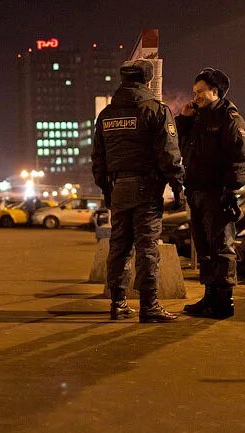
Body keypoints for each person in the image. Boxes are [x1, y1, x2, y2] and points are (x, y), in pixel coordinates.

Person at [91, 59, 185, 323]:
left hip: (118, 187)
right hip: (147, 188)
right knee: (147, 247)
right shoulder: (154, 110)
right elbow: (169, 154)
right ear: (148, 81)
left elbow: (98, 158)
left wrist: (107, 190)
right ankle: (149, 305)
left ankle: (118, 303)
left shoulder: (107, 115)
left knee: (119, 247)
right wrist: (178, 187)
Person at [176, 67, 245, 318]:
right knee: (203, 247)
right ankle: (209, 297)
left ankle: (223, 301)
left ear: (214, 92)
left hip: (216, 192)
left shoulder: (229, 119)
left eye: (200, 92)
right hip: (196, 191)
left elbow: (239, 159)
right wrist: (184, 120)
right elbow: (177, 145)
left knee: (221, 247)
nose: (194, 96)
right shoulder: (197, 119)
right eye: (193, 91)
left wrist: (230, 190)